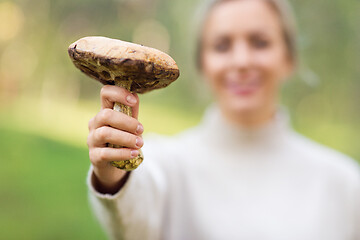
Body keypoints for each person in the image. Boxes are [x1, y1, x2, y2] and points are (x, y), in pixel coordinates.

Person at [86, 0, 360, 239]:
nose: (241, 61)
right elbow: (133, 226)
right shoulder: (163, 163)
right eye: (222, 45)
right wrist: (113, 175)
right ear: (202, 64)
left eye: (260, 42)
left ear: (288, 58)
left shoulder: (344, 183)